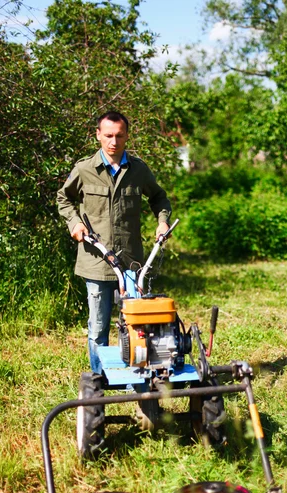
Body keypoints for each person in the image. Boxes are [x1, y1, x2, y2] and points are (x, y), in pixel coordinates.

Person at [57, 110, 171, 373]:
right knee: (98, 328)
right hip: (95, 262)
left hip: (131, 264)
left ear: (127, 136)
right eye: (108, 135)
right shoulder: (84, 169)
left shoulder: (138, 170)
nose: (113, 142)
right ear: (98, 135)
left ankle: (136, 380)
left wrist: (162, 221)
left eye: (119, 135)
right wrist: (74, 223)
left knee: (136, 325)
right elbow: (64, 199)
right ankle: (100, 380)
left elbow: (159, 198)